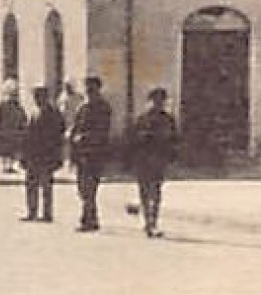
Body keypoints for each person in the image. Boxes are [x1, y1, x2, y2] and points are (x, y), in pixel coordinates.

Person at [124, 88, 179, 238]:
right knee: (145, 191)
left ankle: (152, 222)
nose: (158, 104)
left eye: (161, 101)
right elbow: (132, 139)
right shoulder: (143, 119)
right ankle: (148, 221)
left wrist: (171, 157)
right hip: (143, 159)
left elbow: (174, 140)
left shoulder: (168, 119)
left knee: (155, 191)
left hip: (158, 159)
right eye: (156, 101)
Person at [69, 76, 113, 233]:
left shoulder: (103, 108)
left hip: (95, 153)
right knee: (82, 188)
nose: (89, 92)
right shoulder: (82, 107)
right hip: (81, 153)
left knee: (90, 187)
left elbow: (103, 131)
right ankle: (91, 218)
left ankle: (87, 219)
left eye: (92, 89)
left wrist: (84, 137)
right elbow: (75, 127)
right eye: (87, 88)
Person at [21, 86, 64, 223]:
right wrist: (24, 154)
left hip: (46, 154)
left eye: (39, 97)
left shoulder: (53, 113)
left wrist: (57, 155)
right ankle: (32, 212)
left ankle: (47, 213)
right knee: (31, 184)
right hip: (33, 154)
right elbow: (28, 135)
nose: (37, 100)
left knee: (46, 185)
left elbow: (58, 134)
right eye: (36, 97)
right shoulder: (34, 113)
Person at [0, 80, 27, 174]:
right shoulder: (4, 105)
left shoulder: (14, 105)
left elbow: (21, 116)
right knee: (7, 148)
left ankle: (10, 165)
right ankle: (7, 165)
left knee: (11, 147)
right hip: (8, 130)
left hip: (11, 130)